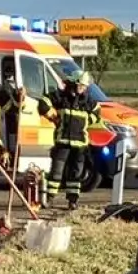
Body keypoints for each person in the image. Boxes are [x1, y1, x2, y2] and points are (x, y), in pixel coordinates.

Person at [37, 66, 101, 210]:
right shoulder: (61, 97)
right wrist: (52, 116)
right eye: (81, 85)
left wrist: (87, 121)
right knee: (56, 172)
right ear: (74, 83)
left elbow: (97, 112)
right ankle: (49, 198)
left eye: (85, 86)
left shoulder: (88, 102)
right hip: (62, 141)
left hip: (80, 145)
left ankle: (73, 201)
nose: (83, 88)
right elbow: (43, 102)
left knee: (76, 174)